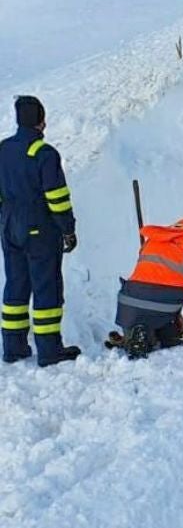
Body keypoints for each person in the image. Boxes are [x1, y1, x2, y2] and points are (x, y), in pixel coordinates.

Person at [0, 95, 81, 367]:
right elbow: (57, 197)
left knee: (15, 287)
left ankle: (13, 348)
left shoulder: (4, 149)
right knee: (46, 287)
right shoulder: (44, 154)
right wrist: (68, 229)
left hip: (10, 226)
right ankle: (49, 351)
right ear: (41, 121)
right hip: (39, 229)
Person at [114, 219, 183, 360]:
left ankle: (135, 335)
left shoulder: (157, 237)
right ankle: (147, 337)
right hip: (163, 302)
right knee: (172, 338)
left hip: (128, 301)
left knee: (146, 322)